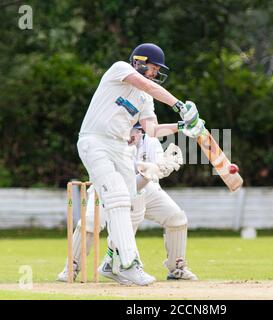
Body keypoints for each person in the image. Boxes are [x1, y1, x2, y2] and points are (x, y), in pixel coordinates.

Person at [70, 43, 205, 286]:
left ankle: (114, 263)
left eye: (156, 70)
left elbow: (151, 129)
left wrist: (182, 127)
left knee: (130, 204)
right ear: (139, 62)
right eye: (153, 68)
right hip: (95, 140)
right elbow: (145, 84)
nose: (154, 74)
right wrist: (180, 106)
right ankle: (128, 265)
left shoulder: (145, 99)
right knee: (119, 199)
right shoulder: (119, 69)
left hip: (120, 147)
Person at [57, 124, 197, 284]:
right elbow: (126, 182)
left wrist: (162, 169)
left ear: (140, 131)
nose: (130, 135)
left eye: (135, 131)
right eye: (127, 130)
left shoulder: (151, 143)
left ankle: (177, 268)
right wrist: (148, 171)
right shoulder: (112, 143)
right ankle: (72, 267)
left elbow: (149, 177)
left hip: (145, 189)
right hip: (106, 188)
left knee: (176, 218)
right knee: (90, 221)